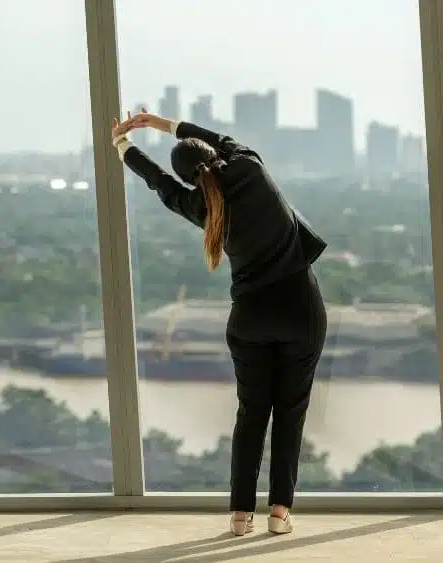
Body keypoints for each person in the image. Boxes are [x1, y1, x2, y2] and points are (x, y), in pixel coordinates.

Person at [112, 109, 328, 537]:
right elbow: (221, 138)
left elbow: (159, 182)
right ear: (215, 155)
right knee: (290, 412)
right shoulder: (250, 169)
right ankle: (279, 513)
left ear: (191, 180)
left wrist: (122, 145)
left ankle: (240, 516)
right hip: (300, 309)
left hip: (249, 318)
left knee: (251, 415)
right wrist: (162, 124)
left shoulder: (200, 206)